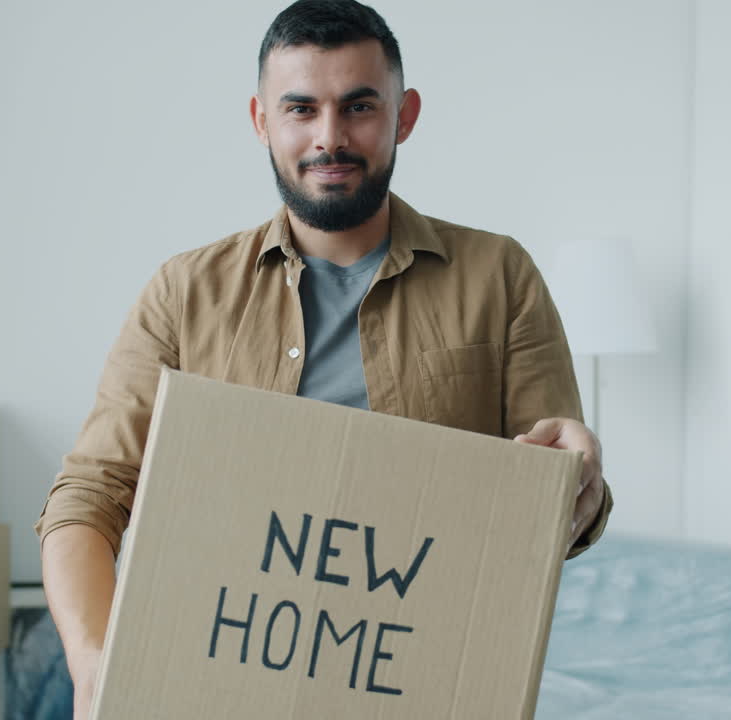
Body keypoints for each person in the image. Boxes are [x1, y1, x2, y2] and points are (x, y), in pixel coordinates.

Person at [34, 1, 613, 716]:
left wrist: (577, 482)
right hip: (220, 684)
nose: (329, 137)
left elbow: (548, 519)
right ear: (261, 120)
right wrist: (94, 665)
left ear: (404, 116)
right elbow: (86, 500)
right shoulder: (184, 293)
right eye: (301, 109)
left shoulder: (500, 277)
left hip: (420, 687)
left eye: (359, 107)